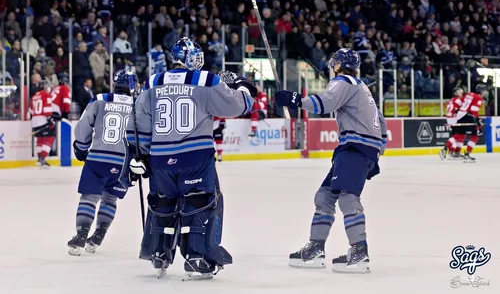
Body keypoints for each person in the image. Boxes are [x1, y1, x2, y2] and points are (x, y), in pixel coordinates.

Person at [121, 37, 257, 280]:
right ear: (188, 59)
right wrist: (244, 87)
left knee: (163, 201)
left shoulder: (153, 82)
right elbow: (237, 106)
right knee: (201, 202)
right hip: (195, 158)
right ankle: (197, 257)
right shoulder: (205, 80)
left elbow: (139, 122)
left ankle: (159, 251)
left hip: (161, 159)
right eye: (195, 57)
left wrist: (138, 154)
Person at [274, 48, 387, 273]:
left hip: (355, 146)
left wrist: (295, 99)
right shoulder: (362, 87)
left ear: (337, 65)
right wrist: (374, 152)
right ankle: (316, 246)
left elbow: (326, 103)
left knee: (347, 196)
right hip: (357, 147)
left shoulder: (343, 82)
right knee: (325, 195)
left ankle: (359, 251)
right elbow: (381, 123)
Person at [67, 69, 139, 256]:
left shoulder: (100, 98)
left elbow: (83, 126)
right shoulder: (138, 104)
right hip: (124, 162)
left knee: (89, 197)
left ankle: (81, 236)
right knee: (110, 198)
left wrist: (82, 148)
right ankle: (99, 234)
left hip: (98, 157)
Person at [453, 84, 487, 163]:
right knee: (476, 134)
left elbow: (459, 101)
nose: (485, 93)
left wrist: (456, 111)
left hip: (460, 115)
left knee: (460, 134)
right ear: (482, 91)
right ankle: (467, 153)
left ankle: (456, 152)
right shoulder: (479, 98)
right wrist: (478, 121)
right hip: (469, 116)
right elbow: (473, 110)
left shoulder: (469, 94)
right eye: (484, 91)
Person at [29, 80, 55, 168]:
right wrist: (50, 119)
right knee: (49, 138)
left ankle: (39, 158)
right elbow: (47, 109)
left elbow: (31, 110)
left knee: (39, 139)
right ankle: (43, 158)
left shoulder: (34, 96)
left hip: (35, 120)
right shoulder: (46, 95)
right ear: (44, 87)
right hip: (42, 120)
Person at [440, 87, 464, 160]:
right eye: (460, 91)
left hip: (450, 118)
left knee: (457, 135)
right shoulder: (458, 100)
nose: (461, 93)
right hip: (454, 118)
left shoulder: (451, 100)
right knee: (458, 135)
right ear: (456, 93)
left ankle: (454, 152)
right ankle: (448, 150)